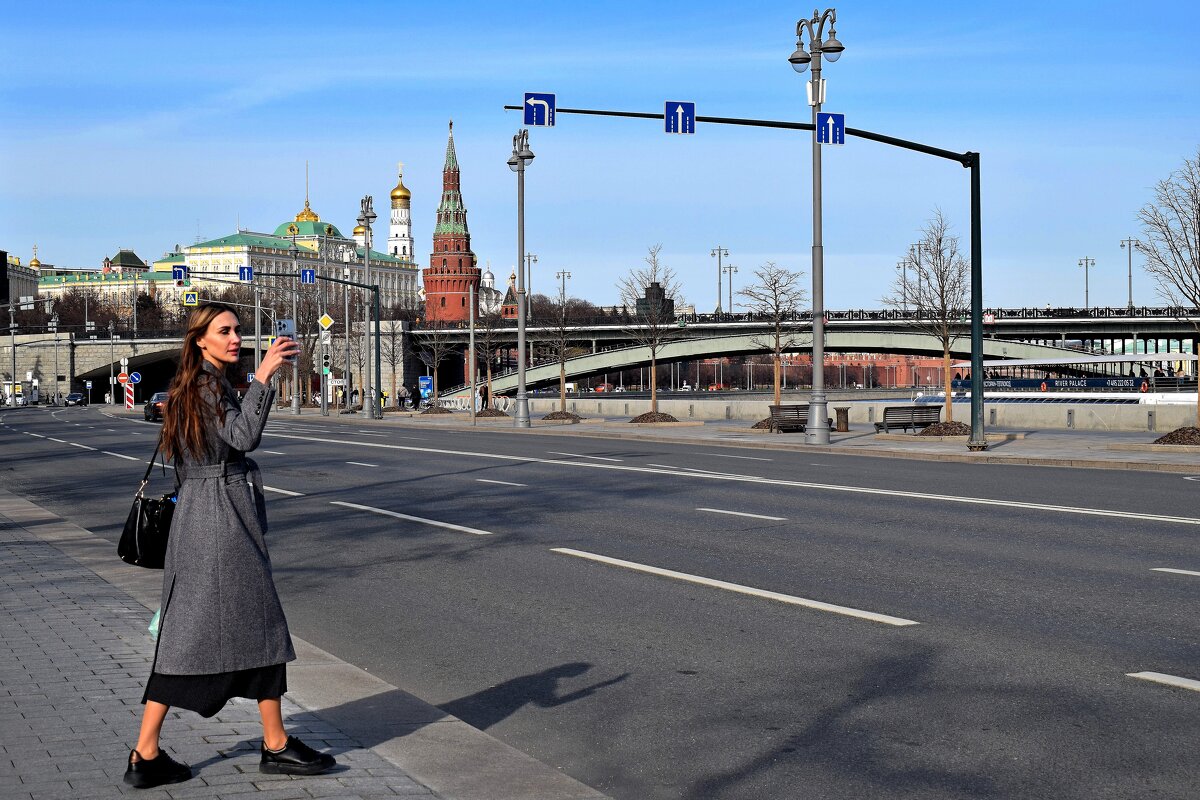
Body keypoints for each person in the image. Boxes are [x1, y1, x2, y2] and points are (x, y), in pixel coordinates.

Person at [125, 303, 335, 789]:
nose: (235, 337)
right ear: (201, 340)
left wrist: (253, 381)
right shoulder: (203, 385)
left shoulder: (201, 382)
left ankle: (270, 742)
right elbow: (243, 437)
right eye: (225, 331)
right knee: (200, 636)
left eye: (238, 330)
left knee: (238, 628)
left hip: (211, 514)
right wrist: (262, 376)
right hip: (218, 521)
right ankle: (150, 749)